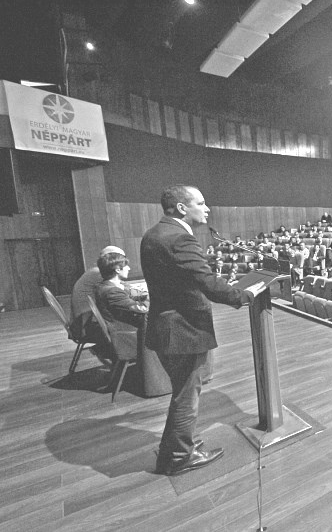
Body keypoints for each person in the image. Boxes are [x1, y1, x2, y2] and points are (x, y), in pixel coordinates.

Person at [142, 185, 262, 476]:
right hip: (182, 329)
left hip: (166, 325)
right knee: (186, 394)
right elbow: (206, 282)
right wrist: (244, 295)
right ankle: (179, 458)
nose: (207, 208)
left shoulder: (154, 234)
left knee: (182, 392)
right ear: (182, 208)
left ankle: (176, 448)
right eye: (201, 203)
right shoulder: (179, 238)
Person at [69, 245, 128, 355]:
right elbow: (121, 290)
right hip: (86, 326)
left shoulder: (94, 272)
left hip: (83, 321)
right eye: (120, 258)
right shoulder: (98, 273)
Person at [94, 252, 148, 345]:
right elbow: (143, 308)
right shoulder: (112, 291)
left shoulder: (110, 285)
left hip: (125, 326)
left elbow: (140, 294)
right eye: (126, 266)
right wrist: (153, 296)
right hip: (126, 334)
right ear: (118, 270)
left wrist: (143, 295)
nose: (129, 268)